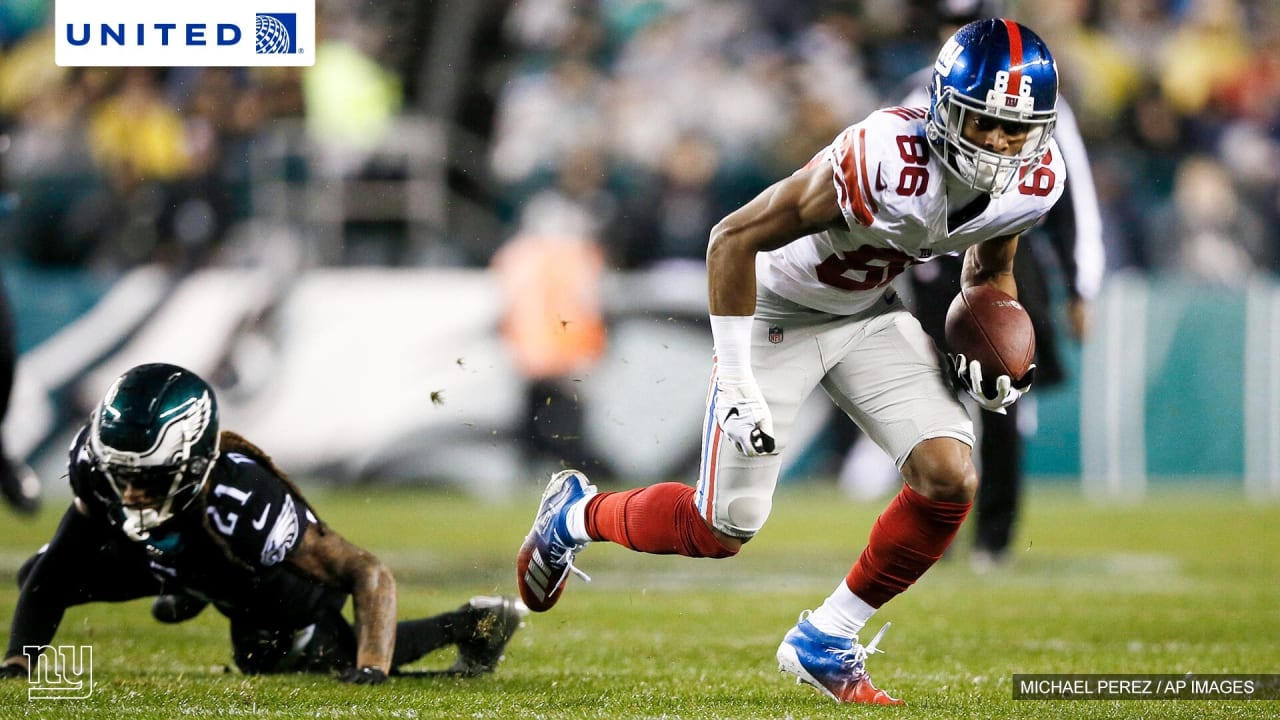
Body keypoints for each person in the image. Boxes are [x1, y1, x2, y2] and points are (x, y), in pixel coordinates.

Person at [516, 18, 1065, 705]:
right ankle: (574, 515)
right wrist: (739, 377)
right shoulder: (883, 156)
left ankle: (828, 637)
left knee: (950, 475)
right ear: (946, 106)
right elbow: (731, 239)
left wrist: (988, 341)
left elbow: (990, 269)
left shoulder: (1036, 179)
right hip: (773, 312)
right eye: (985, 122)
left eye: (1018, 129)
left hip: (866, 312)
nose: (1001, 145)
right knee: (719, 529)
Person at [0, 363, 527, 683]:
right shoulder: (98, 471)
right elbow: (60, 567)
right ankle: (191, 588)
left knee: (289, 657)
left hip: (251, 577)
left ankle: (474, 623)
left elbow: (369, 574)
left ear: (192, 460)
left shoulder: (248, 505)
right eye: (122, 475)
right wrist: (18, 663)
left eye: (152, 477)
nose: (131, 492)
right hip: (179, 558)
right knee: (39, 575)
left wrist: (371, 666)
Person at [840, 0, 1105, 570]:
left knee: (1004, 397)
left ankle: (995, 537)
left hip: (1006, 257)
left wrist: (1083, 283)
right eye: (946, 27)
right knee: (929, 398)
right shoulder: (912, 99)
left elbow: (1071, 190)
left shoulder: (1042, 106)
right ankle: (932, 527)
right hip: (933, 267)